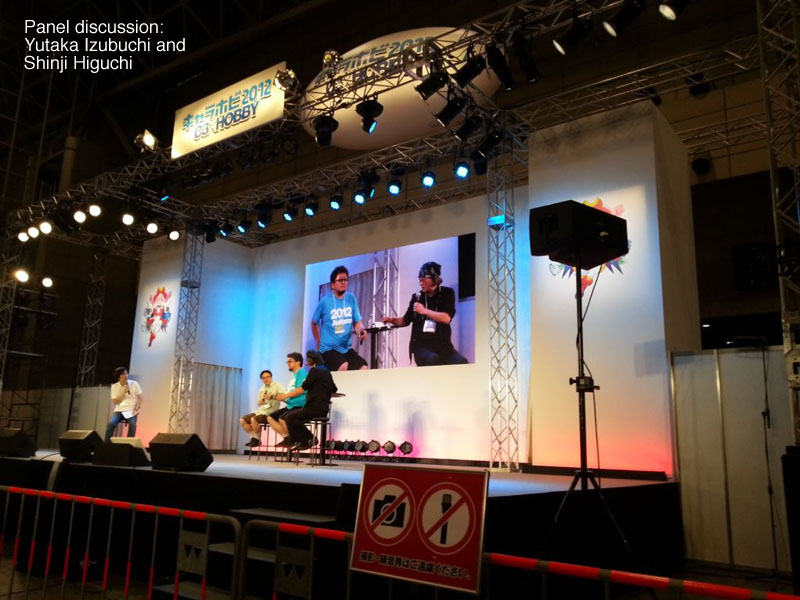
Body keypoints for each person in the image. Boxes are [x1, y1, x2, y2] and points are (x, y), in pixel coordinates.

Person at [381, 261, 469, 367]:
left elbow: (446, 318)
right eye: (419, 280)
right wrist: (391, 319)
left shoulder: (447, 293)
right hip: (422, 347)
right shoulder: (417, 297)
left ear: (434, 279)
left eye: (423, 280)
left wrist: (425, 311)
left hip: (444, 347)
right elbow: (405, 321)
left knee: (462, 362)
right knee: (433, 360)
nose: (420, 283)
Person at [275, 350, 337, 451]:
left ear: (311, 360)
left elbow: (302, 389)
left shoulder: (315, 370)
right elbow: (334, 388)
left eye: (308, 360)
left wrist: (284, 396)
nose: (307, 363)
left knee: (289, 417)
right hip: (324, 408)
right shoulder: (326, 370)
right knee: (291, 417)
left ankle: (308, 438)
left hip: (314, 408)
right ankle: (304, 440)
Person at [311, 265, 368, 371]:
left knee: (363, 367)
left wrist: (361, 330)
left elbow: (357, 322)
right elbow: (314, 323)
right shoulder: (325, 301)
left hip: (346, 349)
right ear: (332, 284)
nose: (343, 282)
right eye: (340, 280)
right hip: (328, 350)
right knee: (343, 365)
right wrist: (318, 342)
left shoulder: (351, 298)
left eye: (345, 280)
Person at [266, 352, 307, 447]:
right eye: (287, 362)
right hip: (291, 405)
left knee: (282, 418)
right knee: (270, 417)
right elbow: (291, 393)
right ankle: (287, 438)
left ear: (298, 362)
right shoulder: (294, 375)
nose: (288, 363)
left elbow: (300, 390)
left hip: (299, 405)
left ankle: (294, 439)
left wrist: (284, 396)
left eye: (290, 361)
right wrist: (279, 397)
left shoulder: (302, 373)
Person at [241, 370, 285, 448]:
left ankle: (256, 439)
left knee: (253, 419)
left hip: (270, 412)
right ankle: (254, 437)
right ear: (261, 379)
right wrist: (261, 401)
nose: (266, 379)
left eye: (268, 377)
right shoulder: (262, 389)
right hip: (260, 411)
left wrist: (272, 396)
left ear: (271, 377)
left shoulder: (277, 386)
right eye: (263, 378)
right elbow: (259, 403)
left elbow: (283, 396)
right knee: (242, 420)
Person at [105, 367, 143, 442]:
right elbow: (115, 401)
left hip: (131, 409)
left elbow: (140, 398)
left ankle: (128, 444)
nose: (126, 375)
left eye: (126, 373)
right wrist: (123, 392)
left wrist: (137, 407)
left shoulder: (134, 384)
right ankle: (106, 444)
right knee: (111, 424)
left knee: (133, 425)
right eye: (123, 374)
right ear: (118, 376)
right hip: (119, 410)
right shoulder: (114, 386)